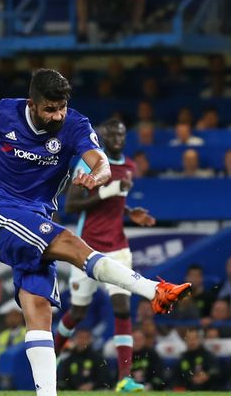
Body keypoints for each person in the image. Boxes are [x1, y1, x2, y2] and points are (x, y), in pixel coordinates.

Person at [0, 69, 190, 396]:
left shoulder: (75, 125)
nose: (58, 115)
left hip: (36, 217)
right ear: (32, 103)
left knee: (38, 307)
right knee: (68, 242)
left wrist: (98, 176)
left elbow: (101, 163)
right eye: (50, 109)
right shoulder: (2, 112)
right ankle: (154, 290)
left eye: (62, 108)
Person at [54, 118, 156, 392]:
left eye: (121, 134)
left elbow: (116, 203)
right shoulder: (88, 164)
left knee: (122, 307)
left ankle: (125, 377)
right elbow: (73, 204)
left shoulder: (129, 167)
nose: (117, 139)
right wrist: (108, 191)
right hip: (86, 248)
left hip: (118, 247)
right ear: (102, 137)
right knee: (76, 313)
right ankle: (48, 361)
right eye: (112, 134)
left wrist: (129, 211)